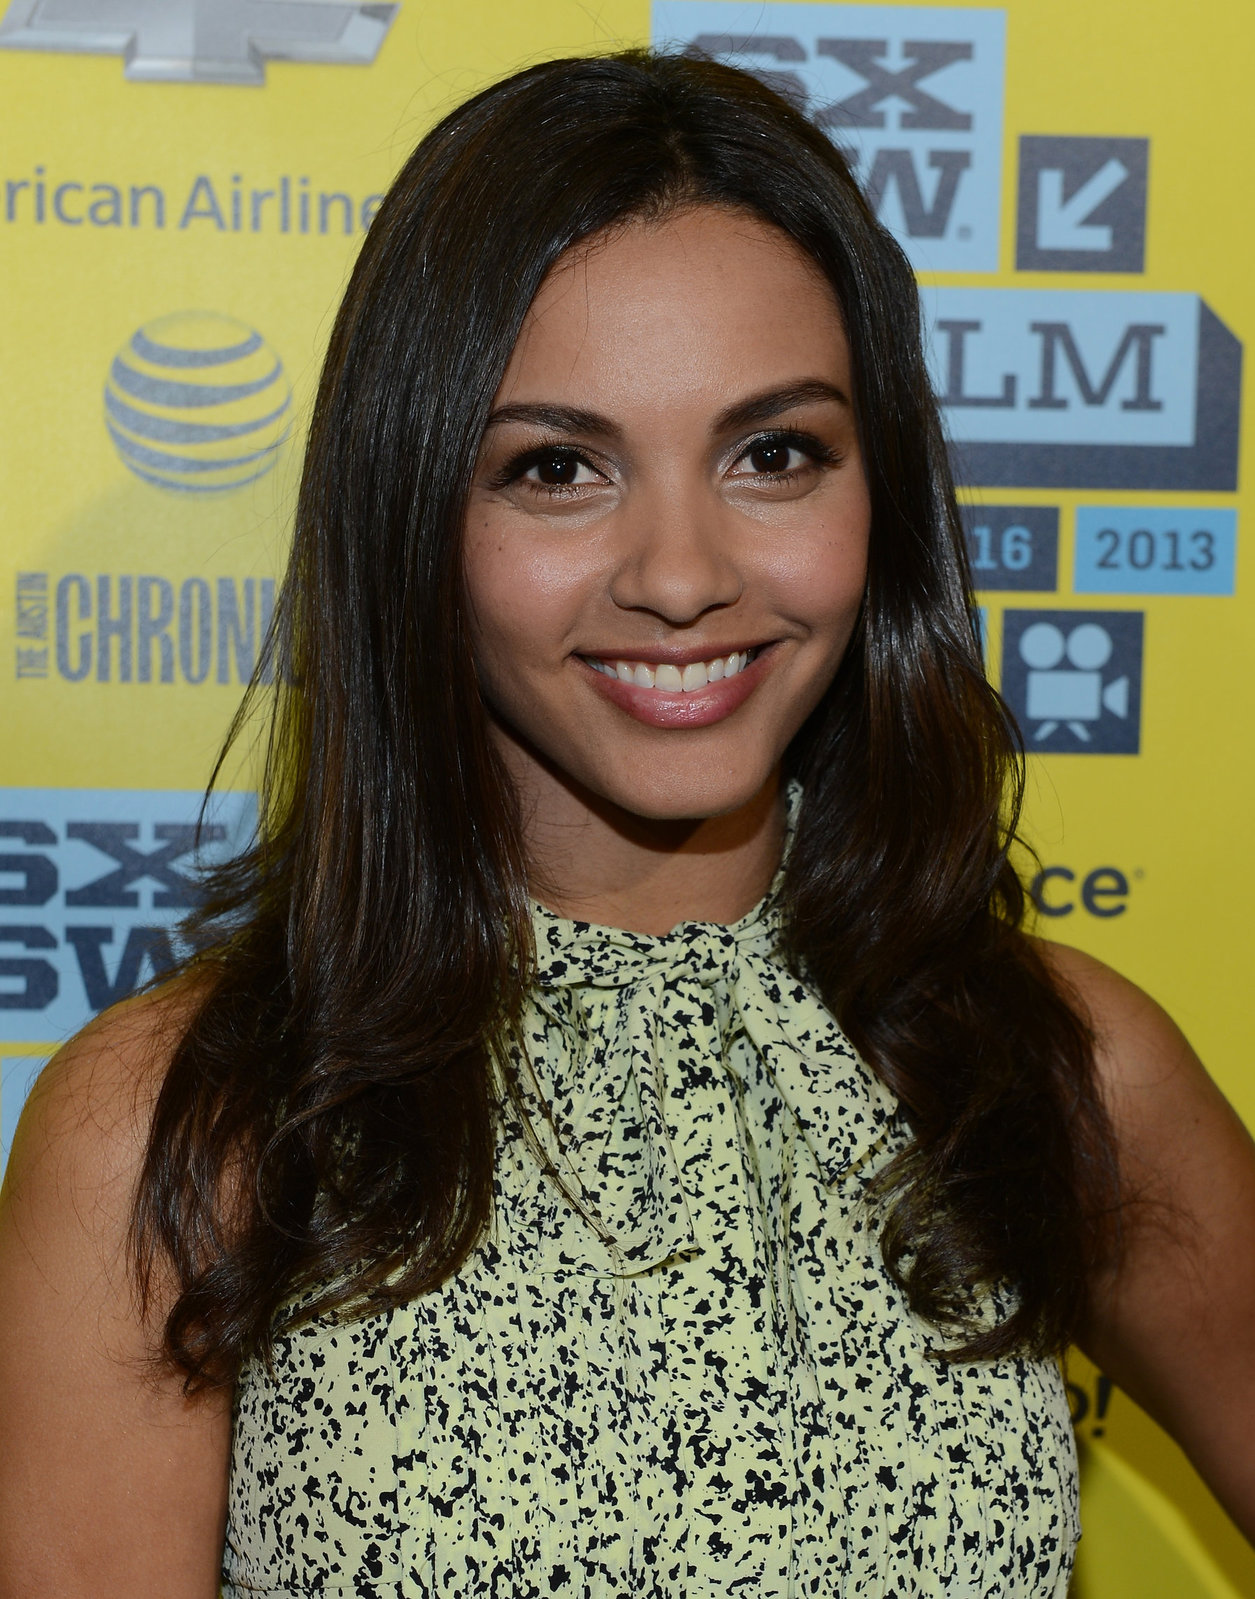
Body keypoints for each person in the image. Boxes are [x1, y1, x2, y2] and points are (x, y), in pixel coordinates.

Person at [1, 49, 1252, 1599]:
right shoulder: (176, 1127)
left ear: (885, 497)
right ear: (415, 518)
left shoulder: (1056, 1065)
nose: (679, 572)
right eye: (557, 467)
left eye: (773, 452)